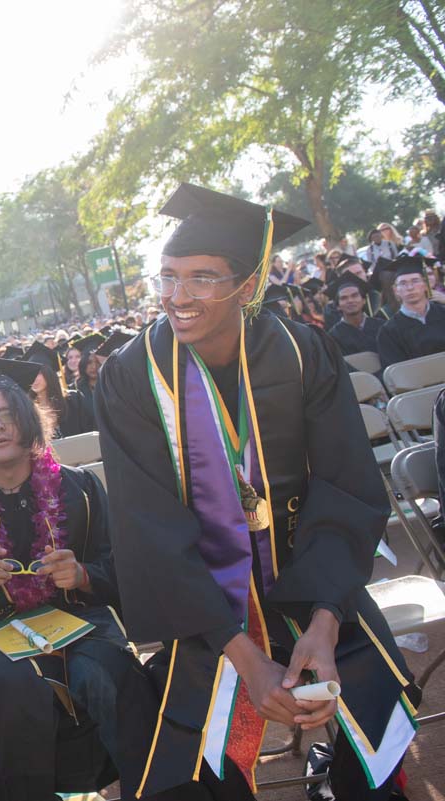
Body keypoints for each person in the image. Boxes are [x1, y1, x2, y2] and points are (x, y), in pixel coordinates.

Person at [96, 183, 419, 801]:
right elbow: (147, 528)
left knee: (374, 718)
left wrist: (325, 621)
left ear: (247, 286)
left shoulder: (302, 352)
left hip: (312, 576)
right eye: (168, 276)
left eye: (201, 278)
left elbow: (345, 486)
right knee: (187, 763)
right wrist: (247, 659)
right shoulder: (132, 376)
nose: (177, 296)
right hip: (203, 601)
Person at [0, 356, 139, 801]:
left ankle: (152, 787)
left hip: (81, 621)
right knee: (16, 689)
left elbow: (124, 570)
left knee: (112, 675)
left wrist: (83, 575)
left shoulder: (80, 490)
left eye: (6, 413)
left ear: (28, 418)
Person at [376, 254, 445, 368]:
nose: (410, 288)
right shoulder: (389, 332)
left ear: (425, 285)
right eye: (403, 283)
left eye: (415, 281)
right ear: (395, 290)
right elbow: (397, 372)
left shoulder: (442, 313)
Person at [22, 342, 93, 438]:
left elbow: (89, 430)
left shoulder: (73, 400)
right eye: (30, 374)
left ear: (49, 374)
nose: (33, 378)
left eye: (38, 373)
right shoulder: (27, 408)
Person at [327, 274, 383, 357]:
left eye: (355, 295)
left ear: (364, 300)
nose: (350, 300)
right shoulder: (333, 337)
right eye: (344, 298)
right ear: (338, 306)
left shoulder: (382, 326)